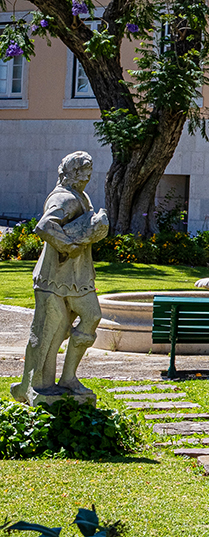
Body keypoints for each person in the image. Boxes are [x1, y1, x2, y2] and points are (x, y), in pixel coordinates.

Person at [14, 151, 109, 404]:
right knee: (49, 332)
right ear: (73, 173)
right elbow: (45, 226)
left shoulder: (81, 196)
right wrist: (69, 245)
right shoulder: (64, 198)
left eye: (89, 171)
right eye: (85, 171)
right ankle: (35, 385)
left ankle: (68, 378)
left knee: (92, 316)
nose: (89, 176)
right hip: (54, 277)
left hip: (78, 276)